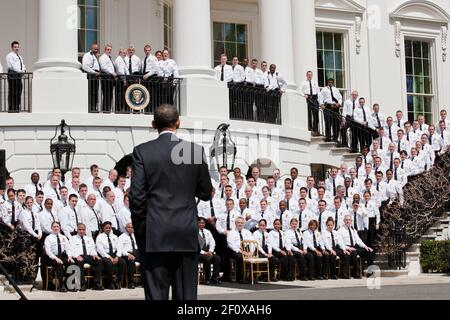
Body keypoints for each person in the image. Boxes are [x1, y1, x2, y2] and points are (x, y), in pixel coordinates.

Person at [130, 104, 213, 300]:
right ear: (178, 123)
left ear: (153, 125)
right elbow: (206, 192)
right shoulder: (193, 150)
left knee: (156, 295)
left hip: (155, 231)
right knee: (186, 296)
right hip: (185, 230)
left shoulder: (142, 151)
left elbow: (136, 196)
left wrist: (143, 228)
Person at [69, 223, 104, 291]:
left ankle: (96, 283)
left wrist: (95, 255)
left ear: (85, 230)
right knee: (80, 262)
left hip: (88, 256)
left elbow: (92, 248)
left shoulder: (89, 238)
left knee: (99, 261)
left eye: (83, 229)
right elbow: (70, 249)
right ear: (77, 230)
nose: (81, 231)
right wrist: (76, 256)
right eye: (80, 229)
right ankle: (83, 284)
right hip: (78, 256)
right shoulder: (72, 239)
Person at [43, 222, 73, 292]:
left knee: (71, 263)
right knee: (59, 264)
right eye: (54, 227)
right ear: (51, 228)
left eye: (57, 226)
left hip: (62, 256)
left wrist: (69, 256)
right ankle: (61, 285)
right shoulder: (48, 238)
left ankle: (69, 284)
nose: (56, 228)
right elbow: (48, 251)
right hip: (52, 257)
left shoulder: (63, 237)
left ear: (59, 228)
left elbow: (68, 248)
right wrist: (55, 258)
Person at [96, 221, 126, 290]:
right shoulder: (99, 237)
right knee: (109, 263)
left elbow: (119, 247)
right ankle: (109, 283)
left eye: (109, 228)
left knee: (123, 262)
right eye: (106, 228)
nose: (108, 229)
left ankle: (117, 281)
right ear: (103, 228)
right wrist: (109, 257)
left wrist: (117, 257)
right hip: (105, 255)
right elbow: (100, 250)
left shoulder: (115, 236)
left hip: (114, 255)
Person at [197, 218, 221, 284]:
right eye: (200, 223)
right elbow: (195, 245)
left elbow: (212, 242)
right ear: (197, 223)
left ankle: (214, 277)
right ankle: (207, 279)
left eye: (203, 223)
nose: (201, 224)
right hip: (199, 252)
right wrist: (204, 252)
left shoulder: (207, 231)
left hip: (208, 251)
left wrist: (210, 251)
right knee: (207, 259)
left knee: (217, 258)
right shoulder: (194, 232)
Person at [319, 78, 342, 142]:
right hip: (328, 106)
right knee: (328, 123)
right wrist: (321, 104)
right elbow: (320, 97)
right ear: (327, 82)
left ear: (333, 83)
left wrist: (339, 103)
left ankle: (335, 138)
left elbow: (340, 98)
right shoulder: (324, 89)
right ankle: (328, 137)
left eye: (331, 82)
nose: (330, 83)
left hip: (335, 107)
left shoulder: (336, 89)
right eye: (329, 82)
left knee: (336, 123)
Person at [118, 223, 140, 289]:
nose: (130, 229)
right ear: (125, 228)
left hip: (136, 252)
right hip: (126, 254)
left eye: (132, 227)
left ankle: (144, 282)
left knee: (146, 261)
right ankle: (131, 283)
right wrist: (128, 254)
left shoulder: (136, 235)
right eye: (128, 227)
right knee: (131, 262)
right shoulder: (121, 237)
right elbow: (120, 249)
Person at [6, 41, 26, 112]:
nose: (17, 48)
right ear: (12, 48)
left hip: (18, 75)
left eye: (17, 47)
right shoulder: (9, 55)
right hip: (12, 75)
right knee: (13, 91)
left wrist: (23, 70)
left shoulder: (19, 56)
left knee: (19, 90)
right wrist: (20, 71)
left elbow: (22, 64)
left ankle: (17, 107)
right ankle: (12, 108)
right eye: (15, 47)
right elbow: (12, 66)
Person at [99, 44, 117, 113]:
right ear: (105, 50)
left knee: (110, 94)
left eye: (110, 50)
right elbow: (103, 67)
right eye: (108, 49)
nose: (109, 51)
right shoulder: (103, 57)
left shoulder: (109, 58)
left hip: (110, 78)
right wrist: (111, 72)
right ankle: (105, 110)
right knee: (106, 94)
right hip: (106, 78)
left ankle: (108, 109)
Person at [82, 44, 100, 112]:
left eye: (97, 49)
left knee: (95, 92)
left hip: (96, 76)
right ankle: (91, 108)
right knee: (91, 92)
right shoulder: (87, 55)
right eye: (95, 49)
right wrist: (94, 72)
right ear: (91, 48)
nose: (96, 50)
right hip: (91, 76)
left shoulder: (94, 56)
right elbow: (85, 66)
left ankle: (94, 108)